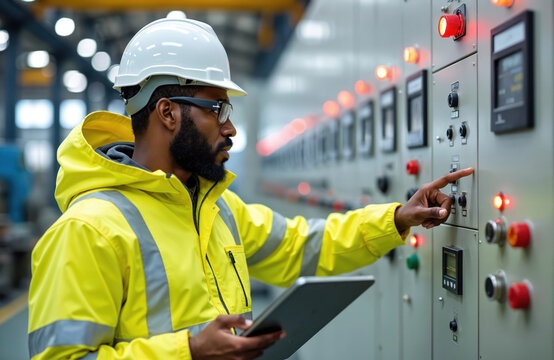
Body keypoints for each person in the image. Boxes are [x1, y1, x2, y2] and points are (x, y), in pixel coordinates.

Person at [27, 18, 473, 360]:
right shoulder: (88, 231)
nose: (231, 128)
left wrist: (396, 217)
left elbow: (304, 246)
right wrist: (189, 352)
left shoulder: (216, 210)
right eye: (217, 108)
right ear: (167, 112)